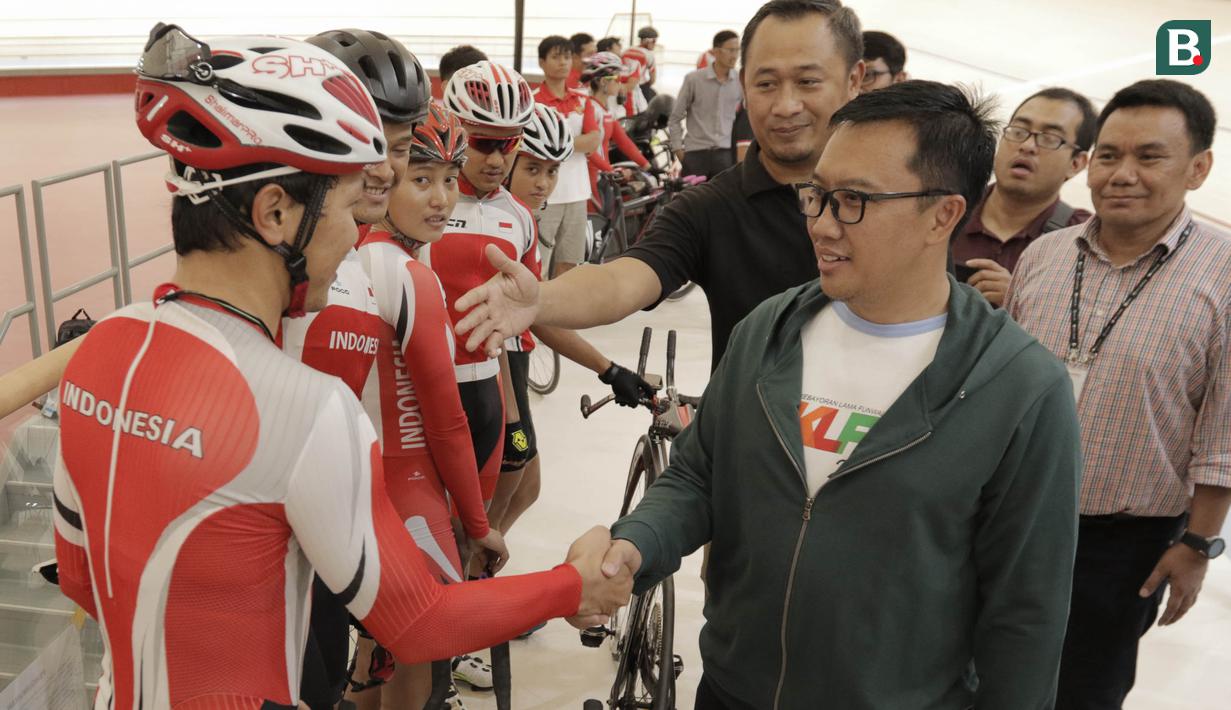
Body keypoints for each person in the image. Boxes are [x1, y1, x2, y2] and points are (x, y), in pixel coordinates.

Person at [51, 24, 632, 710]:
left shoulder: (102, 346)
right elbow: (417, 624)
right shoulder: (305, 409)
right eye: (348, 203)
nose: (357, 232)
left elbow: (81, 579)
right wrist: (571, 586)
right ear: (275, 212)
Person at [592, 80, 1083, 709]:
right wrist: (635, 544)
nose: (821, 224)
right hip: (731, 692)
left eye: (853, 200)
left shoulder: (1018, 388)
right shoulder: (770, 331)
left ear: (944, 214)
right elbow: (699, 476)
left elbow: (1025, 617)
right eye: (817, 194)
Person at [455, 0, 866, 374]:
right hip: (750, 442)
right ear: (743, 87)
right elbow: (621, 281)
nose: (785, 105)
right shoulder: (710, 208)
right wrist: (540, 300)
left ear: (854, 80)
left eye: (809, 82)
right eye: (766, 84)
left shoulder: (906, 198)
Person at [1005, 79, 1231, 710]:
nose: (1122, 174)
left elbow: (1224, 429)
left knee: (1084, 690)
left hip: (1121, 544)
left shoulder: (1224, 277)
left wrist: (1196, 545)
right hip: (1008, 520)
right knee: (980, 674)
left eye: (1149, 157)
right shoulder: (1046, 257)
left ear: (1198, 168)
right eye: (1108, 155)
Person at [288, 28, 459, 710]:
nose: (383, 168)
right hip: (274, 548)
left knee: (329, 675)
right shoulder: (359, 268)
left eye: (393, 147)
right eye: (368, 145)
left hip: (332, 531)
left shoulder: (375, 267)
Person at [497, 103, 653, 553]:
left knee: (525, 486)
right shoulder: (504, 223)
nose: (544, 182)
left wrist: (608, 369)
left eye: (551, 170)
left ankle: (472, 581)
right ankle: (466, 592)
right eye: (532, 168)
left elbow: (538, 312)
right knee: (508, 484)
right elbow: (527, 319)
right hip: (497, 373)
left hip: (515, 365)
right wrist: (606, 369)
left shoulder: (520, 220)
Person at [430, 60, 538, 528]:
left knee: (514, 477)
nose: (497, 159)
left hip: (488, 380)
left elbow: (523, 317)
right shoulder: (419, 203)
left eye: (509, 144)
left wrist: (604, 367)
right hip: (421, 383)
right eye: (483, 143)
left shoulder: (520, 218)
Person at [952, 87, 1094, 307]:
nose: (1027, 146)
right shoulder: (947, 208)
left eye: (1049, 138)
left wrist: (1021, 301)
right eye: (1019, 131)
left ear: (1076, 163)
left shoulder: (1085, 240)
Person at [532, 36, 601, 277]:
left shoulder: (582, 99)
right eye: (555, 57)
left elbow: (594, 139)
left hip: (578, 193)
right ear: (542, 62)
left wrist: (555, 144)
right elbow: (532, 146)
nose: (562, 62)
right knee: (538, 262)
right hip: (544, 194)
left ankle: (560, 314)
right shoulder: (532, 101)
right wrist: (576, 143)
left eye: (567, 57)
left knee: (570, 262)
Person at [668, 30, 743, 179]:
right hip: (695, 154)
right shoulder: (694, 80)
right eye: (730, 50)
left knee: (723, 201)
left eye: (737, 50)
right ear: (715, 51)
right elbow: (675, 118)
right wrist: (678, 150)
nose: (735, 55)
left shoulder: (741, 82)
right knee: (693, 201)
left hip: (725, 155)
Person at [580, 52, 651, 203]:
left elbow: (624, 141)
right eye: (617, 79)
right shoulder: (590, 108)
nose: (620, 83)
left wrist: (647, 166)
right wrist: (609, 170)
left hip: (601, 175)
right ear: (602, 82)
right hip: (589, 176)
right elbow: (589, 151)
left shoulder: (606, 110)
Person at [624, 26, 660, 102]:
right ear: (648, 41)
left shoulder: (627, 50)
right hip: (639, 86)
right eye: (654, 41)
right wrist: (647, 85)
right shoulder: (649, 55)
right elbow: (653, 79)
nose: (655, 44)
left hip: (623, 85)